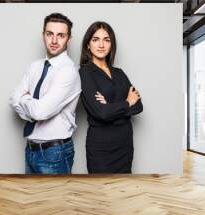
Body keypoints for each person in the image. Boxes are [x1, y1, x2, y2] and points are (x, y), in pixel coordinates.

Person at [9, 13, 81, 174]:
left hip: (54, 153)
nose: (54, 41)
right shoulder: (35, 66)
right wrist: (32, 110)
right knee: (33, 199)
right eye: (50, 34)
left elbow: (41, 111)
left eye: (60, 35)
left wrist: (25, 100)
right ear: (43, 36)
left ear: (69, 39)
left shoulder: (68, 71)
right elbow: (13, 99)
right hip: (30, 149)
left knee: (53, 199)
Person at [79, 21, 143, 174]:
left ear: (111, 44)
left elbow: (139, 106)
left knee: (123, 192)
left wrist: (110, 107)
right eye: (95, 40)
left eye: (106, 40)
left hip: (124, 144)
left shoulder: (119, 73)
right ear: (88, 44)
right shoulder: (84, 73)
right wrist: (127, 102)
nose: (101, 45)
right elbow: (101, 112)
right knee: (101, 194)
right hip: (101, 147)